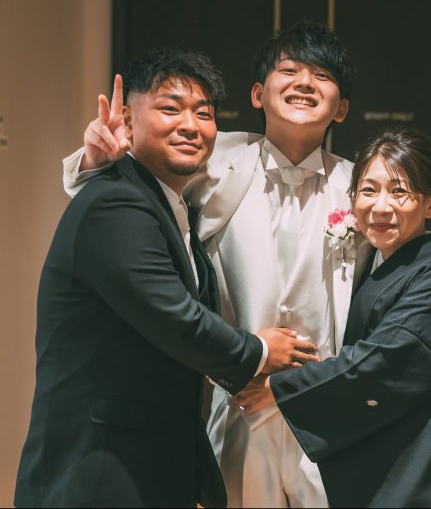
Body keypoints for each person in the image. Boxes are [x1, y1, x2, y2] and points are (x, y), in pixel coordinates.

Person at [62, 23, 431, 507]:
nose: (304, 83)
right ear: (258, 93)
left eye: (322, 76)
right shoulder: (213, 159)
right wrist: (95, 161)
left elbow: (405, 254)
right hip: (241, 398)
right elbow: (141, 193)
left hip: (326, 401)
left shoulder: (360, 187)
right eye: (289, 70)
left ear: (341, 108)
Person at [15, 48, 319, 508]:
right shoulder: (116, 203)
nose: (190, 126)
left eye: (204, 113)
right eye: (170, 109)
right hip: (99, 472)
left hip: (148, 462)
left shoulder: (171, 204)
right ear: (128, 120)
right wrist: (258, 351)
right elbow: (175, 318)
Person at [237, 128, 431, 508]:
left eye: (399, 191)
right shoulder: (372, 257)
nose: (380, 206)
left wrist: (281, 391)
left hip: (426, 474)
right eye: (368, 190)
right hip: (394, 459)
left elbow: (383, 360)